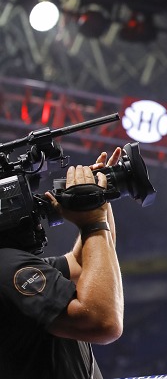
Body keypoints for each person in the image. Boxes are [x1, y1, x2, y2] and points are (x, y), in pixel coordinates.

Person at [0, 148, 124, 378]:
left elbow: (83, 265)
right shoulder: (6, 266)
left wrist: (99, 199)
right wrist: (93, 221)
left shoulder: (13, 266)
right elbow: (103, 322)